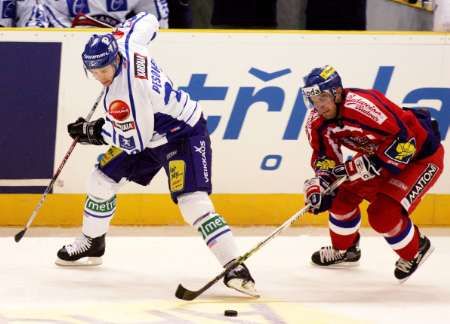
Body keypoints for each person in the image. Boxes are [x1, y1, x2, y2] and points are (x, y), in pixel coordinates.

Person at [55, 12, 258, 297]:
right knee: (100, 180)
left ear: (115, 60)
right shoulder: (127, 43)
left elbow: (133, 142)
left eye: (105, 69)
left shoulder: (124, 95)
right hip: (151, 131)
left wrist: (95, 132)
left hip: (183, 134)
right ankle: (93, 240)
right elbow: (148, 19)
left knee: (192, 203)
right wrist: (121, 29)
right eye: (95, 71)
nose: (101, 76)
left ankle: (235, 266)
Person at [301, 65, 443, 282]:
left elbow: (407, 142)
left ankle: (416, 249)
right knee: (340, 198)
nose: (318, 105)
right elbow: (325, 158)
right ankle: (346, 250)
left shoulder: (363, 107)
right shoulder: (317, 122)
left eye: (322, 97)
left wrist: (368, 165)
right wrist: (321, 184)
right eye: (313, 99)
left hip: (420, 157)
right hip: (378, 155)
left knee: (383, 215)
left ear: (337, 93)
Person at [38, 0, 169, 28]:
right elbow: (47, 11)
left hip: (121, 46)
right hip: (71, 47)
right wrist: (72, 38)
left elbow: (155, 24)